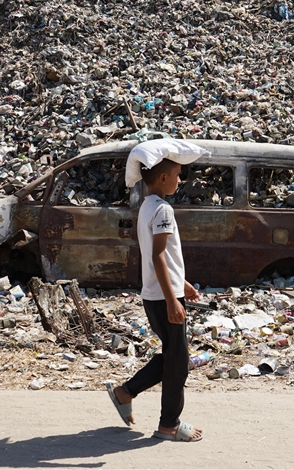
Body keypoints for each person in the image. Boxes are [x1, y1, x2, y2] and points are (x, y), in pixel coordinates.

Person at [106, 158, 203, 442]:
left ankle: (125, 392)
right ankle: (168, 425)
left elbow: (162, 255)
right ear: (162, 177)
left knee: (175, 356)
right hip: (163, 297)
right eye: (176, 175)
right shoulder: (162, 209)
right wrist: (173, 299)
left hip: (157, 293)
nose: (179, 180)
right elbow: (158, 254)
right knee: (178, 361)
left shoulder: (148, 206)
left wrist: (180, 284)